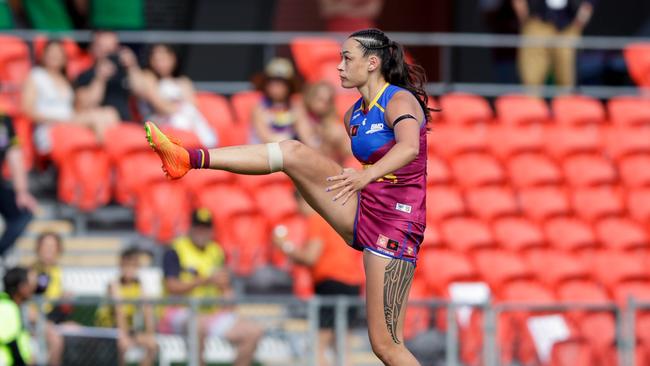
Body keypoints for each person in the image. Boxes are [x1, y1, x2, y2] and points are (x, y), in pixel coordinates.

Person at [145, 27, 431, 366]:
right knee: (292, 153)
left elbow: (410, 147)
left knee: (386, 346)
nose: (339, 66)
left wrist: (367, 174)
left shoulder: (399, 98)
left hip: (396, 224)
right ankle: (189, 158)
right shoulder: (352, 115)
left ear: (372, 63)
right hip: (364, 208)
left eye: (347, 58)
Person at [159, 209, 264, 366]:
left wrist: (228, 297)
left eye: (206, 228)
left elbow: (223, 285)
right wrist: (205, 280)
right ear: (191, 227)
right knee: (198, 325)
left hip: (210, 312)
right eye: (198, 227)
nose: (202, 232)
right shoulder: (175, 250)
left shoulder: (216, 251)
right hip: (178, 311)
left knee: (254, 331)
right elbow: (172, 286)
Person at [272, 192, 363, 366]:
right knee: (341, 346)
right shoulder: (333, 217)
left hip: (332, 283)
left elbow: (311, 257)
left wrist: (284, 245)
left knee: (318, 345)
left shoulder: (317, 218)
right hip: (352, 282)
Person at [22, 40, 119, 152]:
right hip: (51, 126)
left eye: (58, 53)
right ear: (44, 55)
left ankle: (105, 158)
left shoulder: (67, 80)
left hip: (69, 121)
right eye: (51, 53)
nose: (55, 56)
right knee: (96, 119)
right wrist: (56, 119)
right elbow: (28, 109)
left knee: (110, 113)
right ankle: (107, 157)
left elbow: (76, 108)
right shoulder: (37, 75)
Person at [136, 44, 217, 148]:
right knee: (183, 118)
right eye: (157, 59)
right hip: (159, 124)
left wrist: (178, 107)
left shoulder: (183, 81)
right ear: (151, 61)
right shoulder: (148, 78)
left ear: (173, 59)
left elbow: (194, 106)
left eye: (164, 59)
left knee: (189, 115)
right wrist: (179, 106)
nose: (160, 63)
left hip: (185, 121)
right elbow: (161, 108)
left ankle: (206, 147)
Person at [95, 247, 158, 366]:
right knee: (122, 343)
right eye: (126, 265)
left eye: (133, 266)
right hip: (108, 330)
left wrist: (150, 333)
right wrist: (124, 335)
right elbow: (119, 312)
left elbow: (147, 311)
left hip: (128, 330)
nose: (130, 269)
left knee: (152, 344)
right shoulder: (114, 285)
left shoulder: (139, 286)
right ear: (121, 266)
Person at [513, 0, 595, 87]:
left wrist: (578, 24)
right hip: (537, 23)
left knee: (566, 82)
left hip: (567, 27)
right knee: (531, 82)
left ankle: (565, 99)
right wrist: (526, 20)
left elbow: (589, 4)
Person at [31, 231, 78, 366]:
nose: (48, 250)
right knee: (55, 339)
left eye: (52, 247)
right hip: (35, 322)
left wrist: (65, 300)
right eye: (45, 246)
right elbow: (28, 307)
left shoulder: (59, 272)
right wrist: (43, 323)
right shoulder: (31, 272)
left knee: (79, 331)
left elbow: (62, 306)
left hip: (54, 319)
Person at [75, 31, 144, 121]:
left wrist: (132, 66)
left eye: (110, 48)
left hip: (126, 124)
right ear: (93, 48)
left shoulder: (125, 70)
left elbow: (142, 92)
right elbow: (84, 105)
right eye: (101, 47)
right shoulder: (86, 74)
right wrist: (100, 79)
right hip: (103, 122)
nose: (106, 53)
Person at [250, 58, 317, 146]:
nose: (276, 86)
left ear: (289, 85)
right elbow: (265, 138)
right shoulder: (260, 108)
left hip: (291, 151)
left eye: (281, 83)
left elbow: (306, 135)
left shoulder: (296, 106)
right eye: (272, 82)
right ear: (266, 84)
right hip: (267, 153)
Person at [0, 114, 37, 259]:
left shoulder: (3, 120)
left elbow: (14, 155)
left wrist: (22, 192)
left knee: (23, 212)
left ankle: (1, 253)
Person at [297, 81, 352, 164]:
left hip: (332, 162)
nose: (323, 104)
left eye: (328, 101)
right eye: (320, 99)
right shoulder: (301, 114)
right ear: (311, 97)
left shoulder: (330, 120)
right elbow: (309, 143)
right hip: (308, 160)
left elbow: (347, 149)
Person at [0, 266, 37, 366]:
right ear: (22, 287)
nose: (34, 287)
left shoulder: (14, 306)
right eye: (31, 284)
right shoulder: (7, 308)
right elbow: (10, 342)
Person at [319, 0, 384, 33]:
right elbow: (326, 11)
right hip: (336, 33)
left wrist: (341, 7)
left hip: (364, 34)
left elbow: (372, 11)